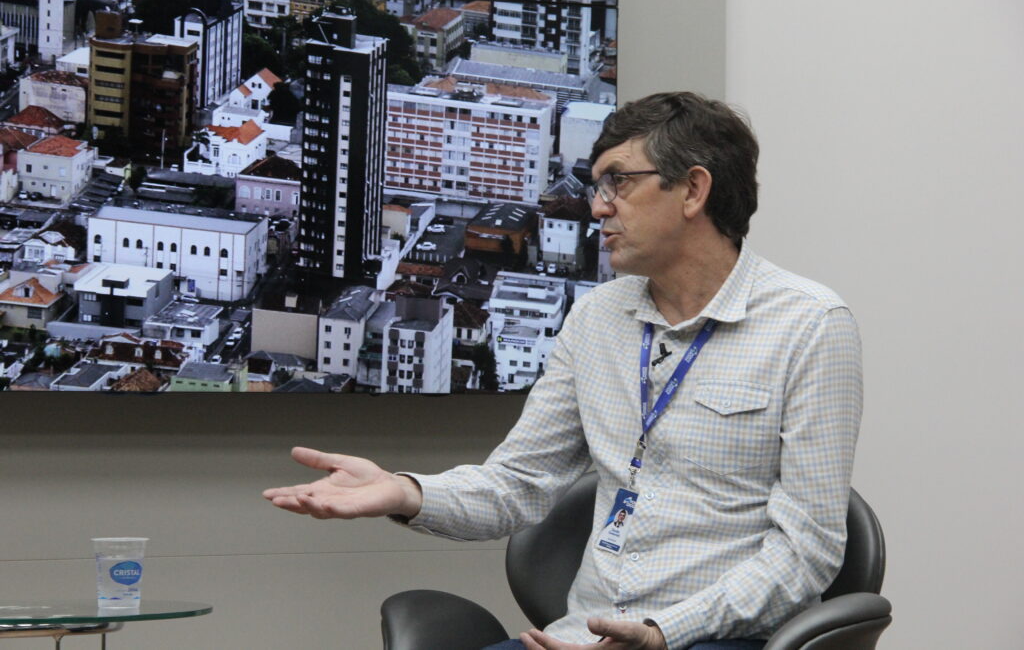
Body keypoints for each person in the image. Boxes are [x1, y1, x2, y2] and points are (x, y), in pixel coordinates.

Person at [263, 91, 862, 650]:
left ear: (693, 190)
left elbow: (806, 550)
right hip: (580, 636)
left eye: (618, 182)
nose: (597, 205)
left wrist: (661, 631)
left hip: (718, 637)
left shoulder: (809, 325)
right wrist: (405, 491)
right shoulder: (597, 317)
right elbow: (519, 484)